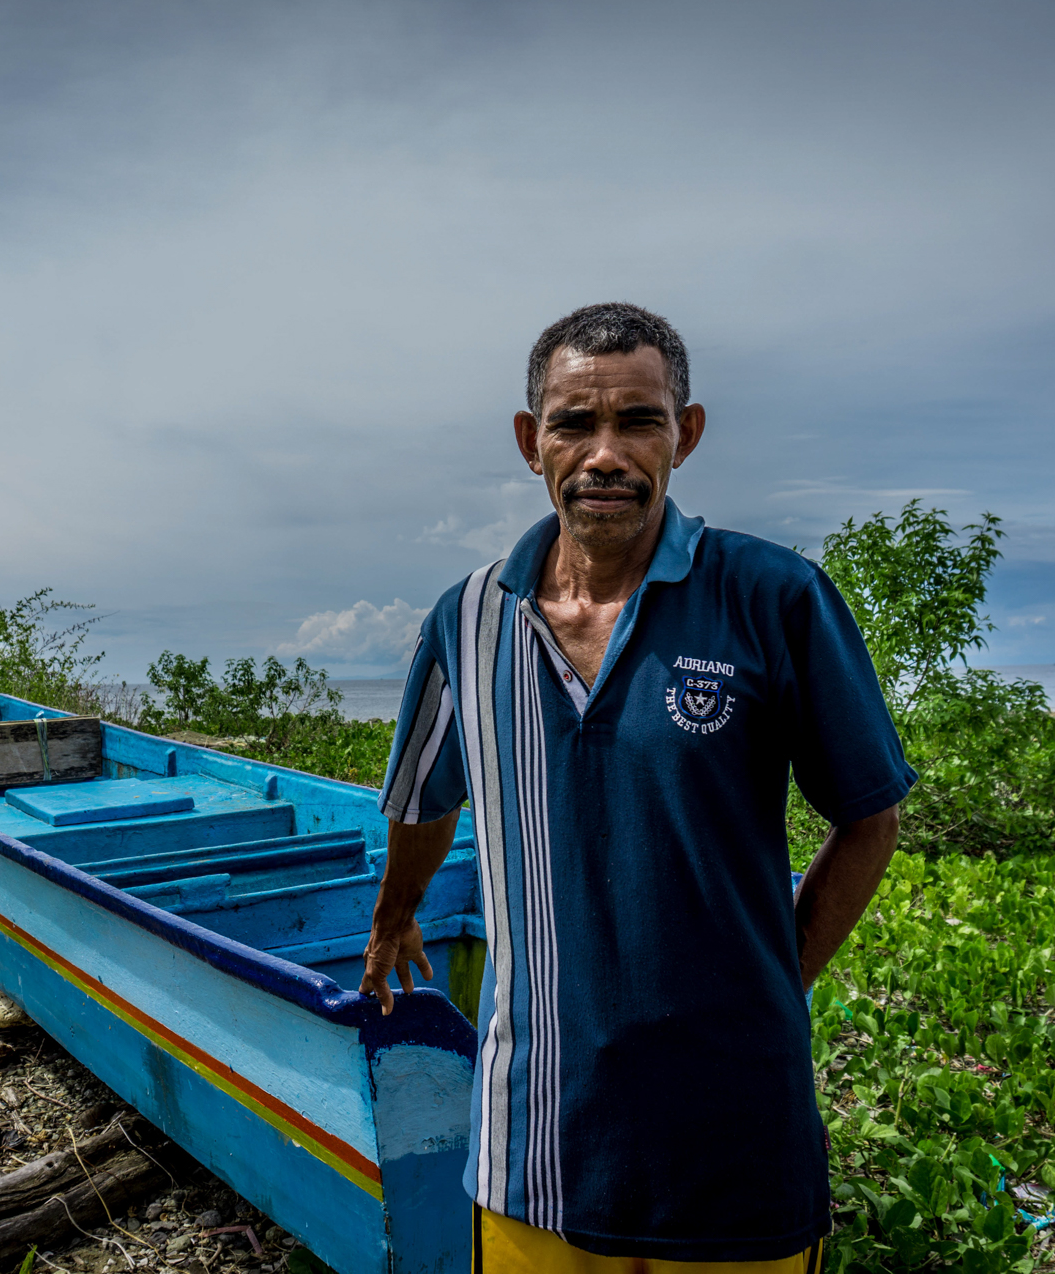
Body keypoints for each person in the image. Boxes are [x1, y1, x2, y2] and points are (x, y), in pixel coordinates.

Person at [360, 303, 915, 1273]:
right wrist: (394, 914)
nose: (604, 452)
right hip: (537, 1142)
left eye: (639, 420)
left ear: (685, 434)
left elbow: (871, 814)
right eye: (575, 423)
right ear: (533, 442)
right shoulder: (467, 620)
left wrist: (777, 977)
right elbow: (424, 797)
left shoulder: (772, 596)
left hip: (736, 1134)